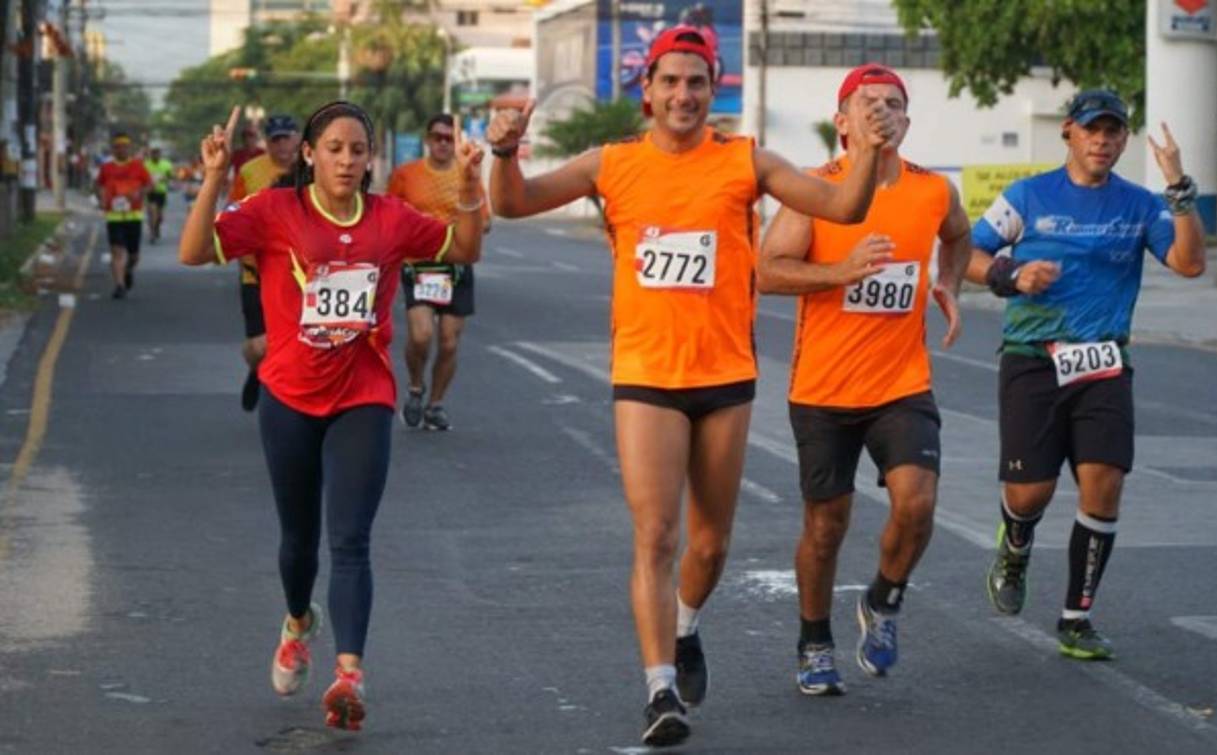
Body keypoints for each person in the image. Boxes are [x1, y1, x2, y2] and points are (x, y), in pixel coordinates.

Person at [487, 25, 893, 747]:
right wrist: (503, 152)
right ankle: (660, 688)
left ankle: (685, 625)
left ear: (714, 90)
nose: (683, 94)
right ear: (646, 91)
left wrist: (865, 146)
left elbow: (844, 209)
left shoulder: (745, 162)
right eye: (670, 81)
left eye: (696, 81)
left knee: (709, 544)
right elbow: (514, 203)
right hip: (646, 375)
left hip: (725, 375)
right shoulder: (612, 163)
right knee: (657, 533)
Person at [178, 101, 484, 729]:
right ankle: (298, 621)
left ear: (369, 158)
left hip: (362, 397)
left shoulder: (392, 218)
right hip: (288, 396)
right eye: (335, 149)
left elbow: (464, 249)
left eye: (357, 149)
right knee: (298, 542)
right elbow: (192, 251)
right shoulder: (273, 211)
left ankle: (349, 677)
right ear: (311, 155)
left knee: (350, 540)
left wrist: (475, 188)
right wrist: (213, 176)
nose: (347, 160)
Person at [967, 90, 1205, 660]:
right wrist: (1010, 274)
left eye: (1114, 132)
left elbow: (1190, 263)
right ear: (1069, 133)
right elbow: (966, 256)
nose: (1103, 141)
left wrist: (1178, 190)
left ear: (1124, 140)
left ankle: (1077, 617)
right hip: (1032, 356)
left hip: (1103, 362)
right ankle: (1016, 542)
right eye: (1093, 130)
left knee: (1104, 484)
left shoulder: (1142, 205)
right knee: (1032, 491)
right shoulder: (1028, 195)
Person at [758, 63, 970, 695]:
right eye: (868, 102)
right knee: (826, 526)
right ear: (842, 122)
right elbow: (768, 271)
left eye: (894, 103)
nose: (883, 112)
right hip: (823, 389)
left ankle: (883, 599)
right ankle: (814, 638)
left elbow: (959, 237)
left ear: (907, 119)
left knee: (918, 504)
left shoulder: (933, 190)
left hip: (901, 382)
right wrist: (840, 271)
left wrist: (948, 284)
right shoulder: (814, 190)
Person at [386, 113, 490, 431]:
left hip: (457, 266)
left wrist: (466, 228)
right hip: (419, 264)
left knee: (448, 342)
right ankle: (416, 388)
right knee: (421, 335)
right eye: (437, 137)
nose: (443, 143)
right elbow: (390, 215)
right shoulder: (406, 174)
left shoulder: (467, 174)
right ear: (428, 140)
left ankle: (436, 404)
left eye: (449, 138)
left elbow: (484, 220)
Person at [228, 114, 302, 411]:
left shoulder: (314, 172)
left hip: (300, 272)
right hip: (255, 270)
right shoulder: (250, 172)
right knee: (260, 346)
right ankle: (257, 370)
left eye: (287, 138)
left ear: (298, 139)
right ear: (267, 143)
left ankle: (287, 401)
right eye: (275, 140)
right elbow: (233, 212)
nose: (282, 145)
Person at [95, 133, 153, 299]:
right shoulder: (106, 168)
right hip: (114, 216)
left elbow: (149, 185)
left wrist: (139, 193)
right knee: (117, 251)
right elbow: (98, 185)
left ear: (129, 148)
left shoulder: (137, 166)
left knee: (134, 256)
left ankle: (128, 270)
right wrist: (100, 198)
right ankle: (119, 285)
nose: (121, 149)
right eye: (118, 146)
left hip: (133, 216)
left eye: (124, 146)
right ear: (113, 149)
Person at [144, 146, 175, 243]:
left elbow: (172, 176)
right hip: (150, 192)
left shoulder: (166, 165)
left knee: (159, 216)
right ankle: (152, 233)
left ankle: (156, 227)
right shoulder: (145, 165)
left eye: (157, 153)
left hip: (161, 192)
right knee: (152, 213)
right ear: (150, 154)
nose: (155, 155)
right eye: (153, 153)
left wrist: (164, 178)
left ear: (160, 154)